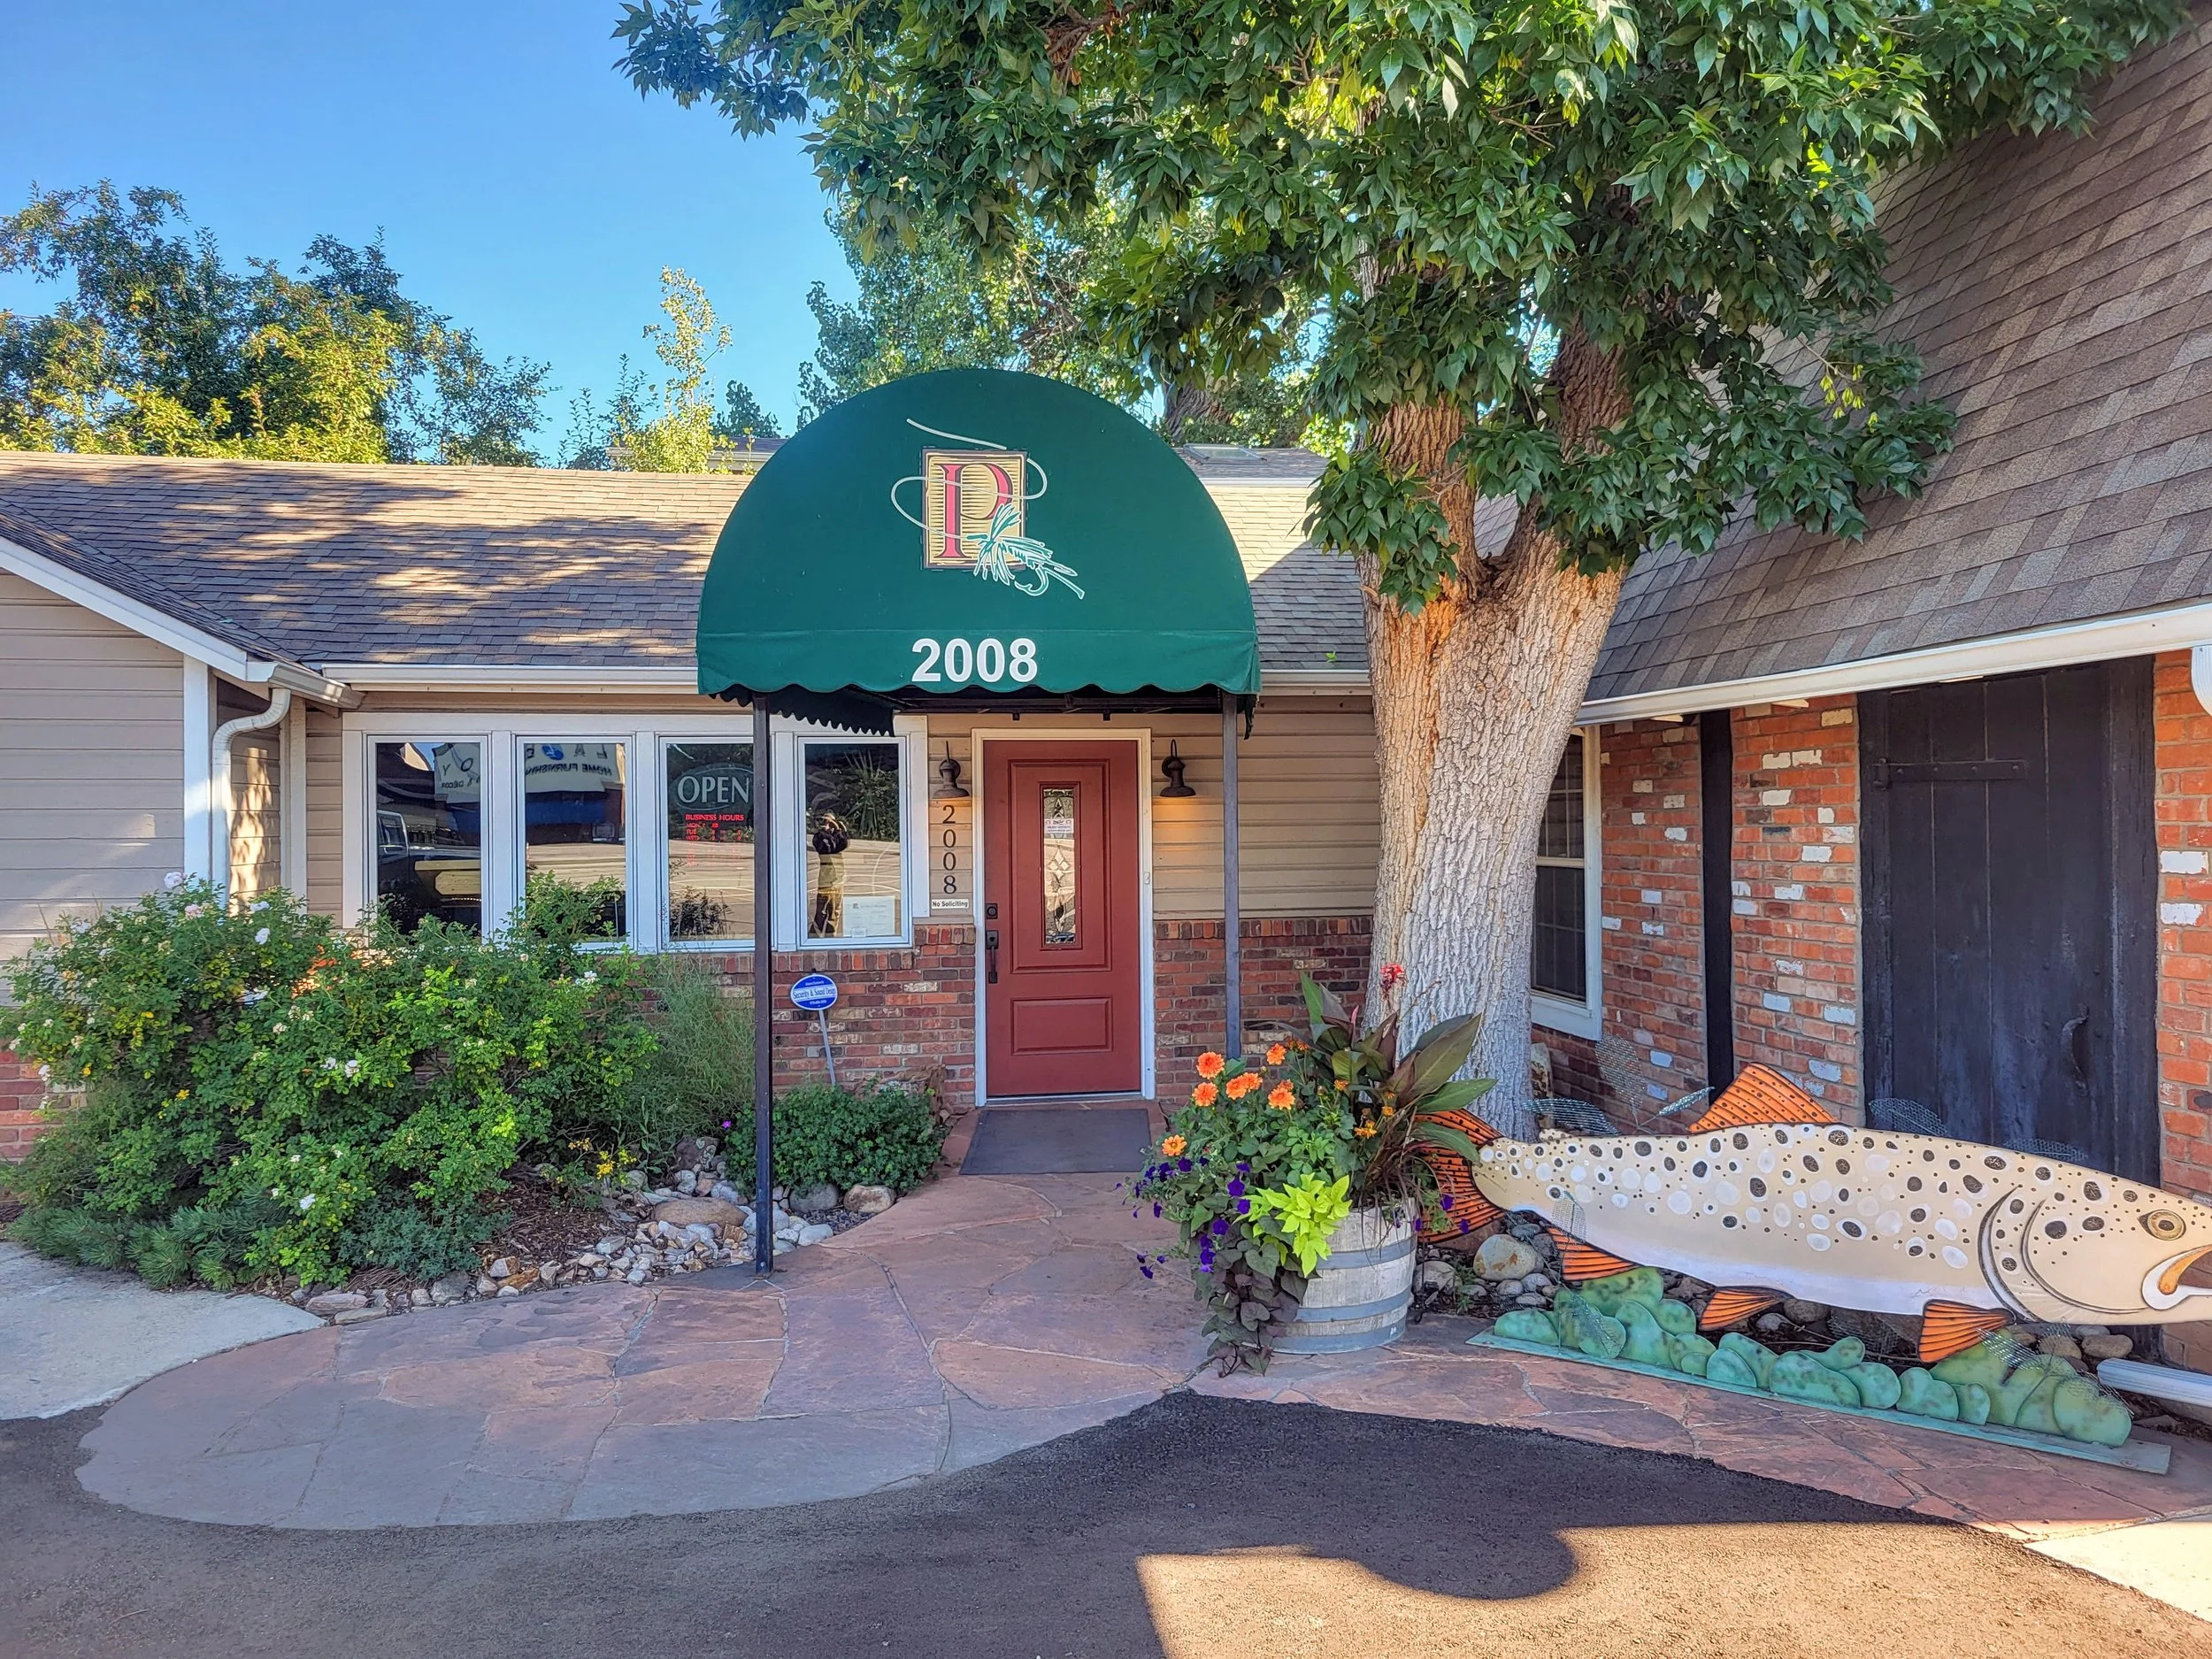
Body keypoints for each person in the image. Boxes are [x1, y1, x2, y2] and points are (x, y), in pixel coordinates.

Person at [809, 811, 850, 937]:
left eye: (831, 823)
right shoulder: (820, 837)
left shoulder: (834, 836)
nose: (829, 826)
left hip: (837, 881)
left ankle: (830, 937)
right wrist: (836, 830)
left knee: (834, 912)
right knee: (821, 913)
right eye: (826, 823)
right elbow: (831, 847)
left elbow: (843, 845)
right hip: (826, 882)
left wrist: (842, 831)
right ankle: (814, 937)